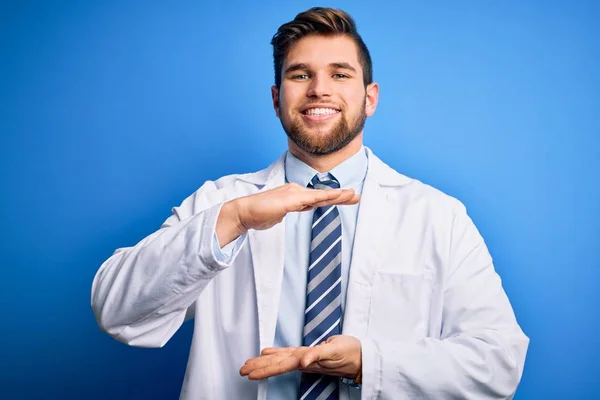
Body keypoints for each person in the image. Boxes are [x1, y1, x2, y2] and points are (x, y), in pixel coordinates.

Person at [91, 7, 529, 400]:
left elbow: (498, 364)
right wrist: (235, 219)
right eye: (300, 75)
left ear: (370, 98)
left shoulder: (437, 215)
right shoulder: (222, 201)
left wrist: (367, 362)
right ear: (276, 98)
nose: (320, 89)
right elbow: (116, 312)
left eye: (340, 74)